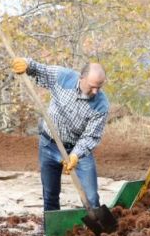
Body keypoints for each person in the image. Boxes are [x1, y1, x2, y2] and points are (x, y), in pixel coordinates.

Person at [10, 58, 109, 215]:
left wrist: (76, 155)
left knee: (91, 197)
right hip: (49, 145)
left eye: (99, 87)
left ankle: (99, 233)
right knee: (50, 195)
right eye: (92, 86)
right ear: (81, 77)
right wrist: (26, 64)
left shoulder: (101, 104)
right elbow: (38, 68)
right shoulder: (63, 77)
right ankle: (51, 234)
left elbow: (91, 136)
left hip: (78, 151)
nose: (96, 91)